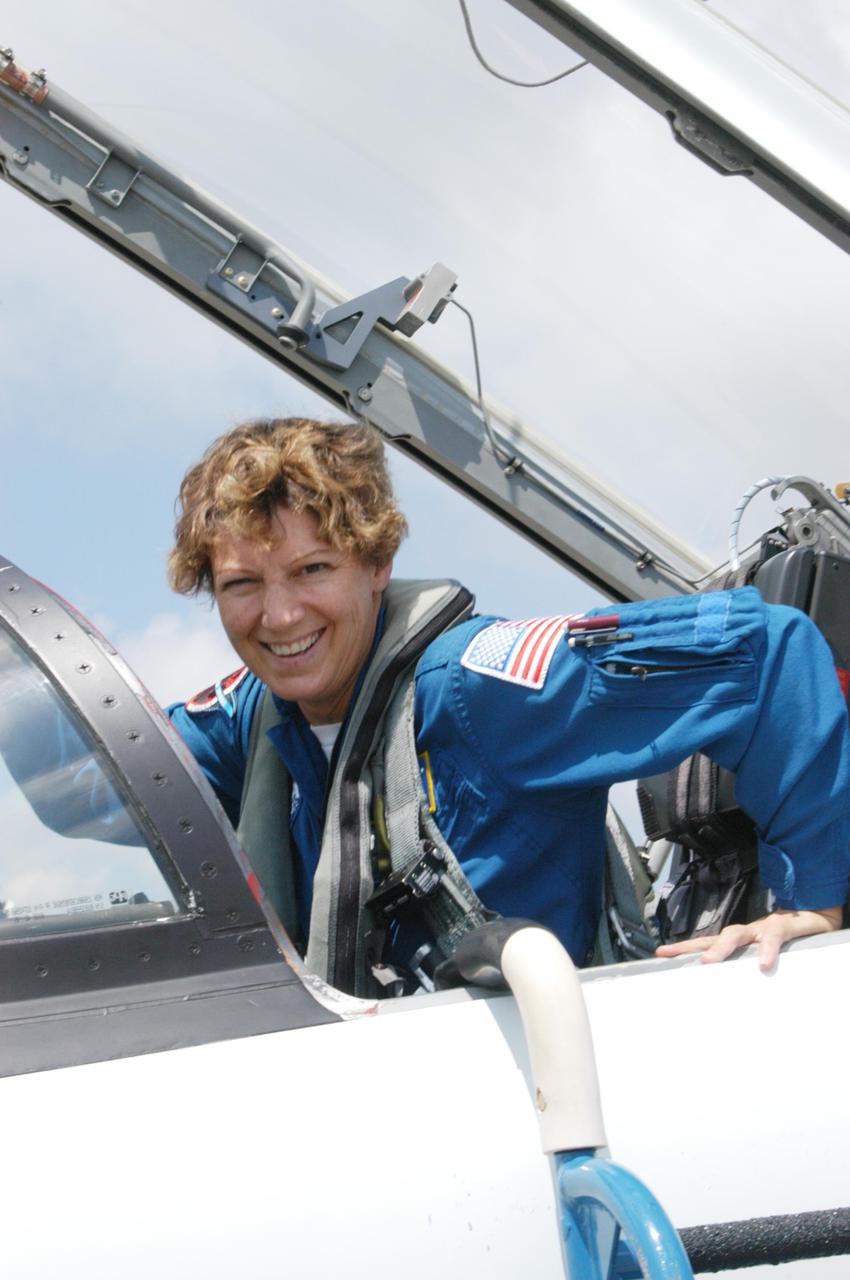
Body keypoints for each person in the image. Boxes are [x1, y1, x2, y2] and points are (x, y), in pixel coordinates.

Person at [167, 417, 850, 996]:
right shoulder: (253, 722)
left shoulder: (479, 685)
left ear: (377, 565)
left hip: (554, 1082)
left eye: (313, 569)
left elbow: (768, 650)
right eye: (242, 584)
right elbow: (96, 770)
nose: (280, 614)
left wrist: (812, 906)